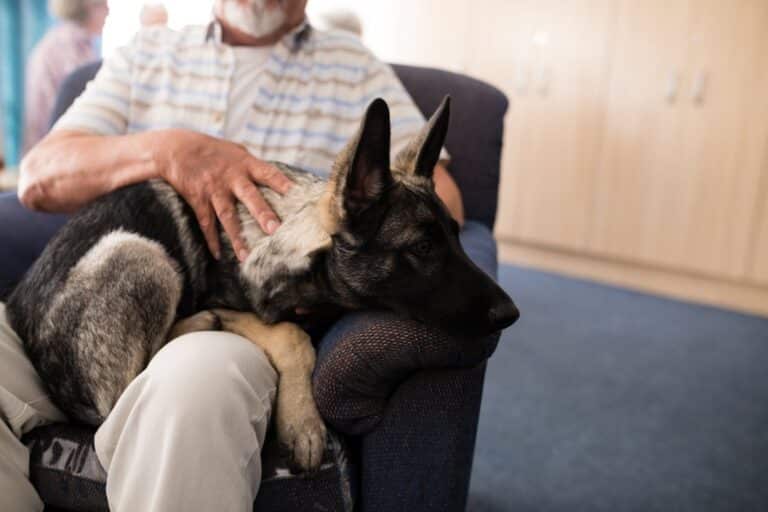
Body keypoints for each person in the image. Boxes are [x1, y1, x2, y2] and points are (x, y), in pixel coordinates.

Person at [3, 1, 465, 510]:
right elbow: (42, 174)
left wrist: (344, 262)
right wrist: (167, 150)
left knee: (196, 389)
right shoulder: (148, 51)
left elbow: (436, 203)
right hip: (80, 294)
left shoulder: (353, 64)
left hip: (235, 320)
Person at [23, 0, 109, 153]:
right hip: (53, 150)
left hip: (51, 147)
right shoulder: (68, 48)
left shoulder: (66, 41)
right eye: (101, 4)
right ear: (83, 10)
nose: (107, 11)